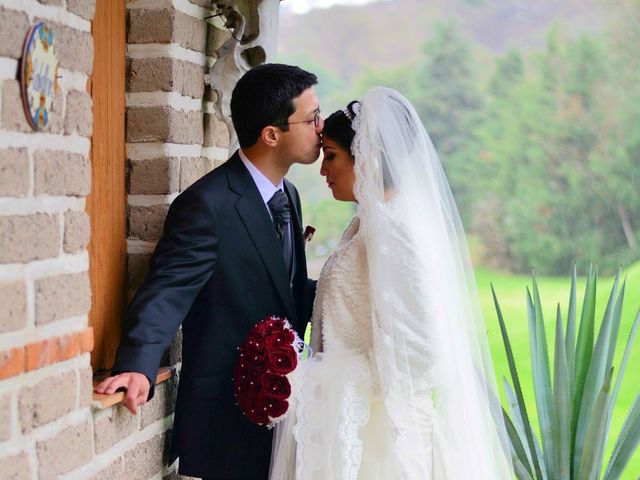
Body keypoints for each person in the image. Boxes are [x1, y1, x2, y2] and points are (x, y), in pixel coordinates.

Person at [269, 87, 515, 479]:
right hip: (354, 428)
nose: (322, 169)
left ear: (367, 158)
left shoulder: (396, 229)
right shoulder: (369, 221)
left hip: (384, 441)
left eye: (330, 156)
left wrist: (322, 376)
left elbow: (423, 351)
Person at [95, 63, 320, 480]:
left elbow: (284, 289)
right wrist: (137, 363)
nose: (320, 128)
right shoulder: (208, 204)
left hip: (281, 412)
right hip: (225, 417)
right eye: (312, 118)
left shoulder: (288, 193)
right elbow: (168, 288)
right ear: (271, 134)